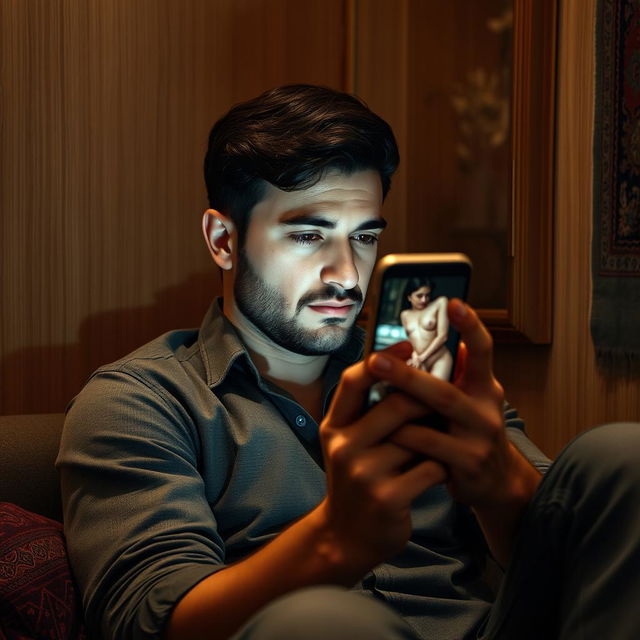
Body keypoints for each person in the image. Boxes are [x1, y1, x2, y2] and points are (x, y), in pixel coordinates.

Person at [57, 84, 640, 640]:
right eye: (309, 236)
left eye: (364, 237)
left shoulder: (425, 371)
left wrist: (498, 484)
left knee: (620, 457)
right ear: (223, 240)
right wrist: (335, 539)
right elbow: (149, 624)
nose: (345, 274)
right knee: (325, 623)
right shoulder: (140, 401)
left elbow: (582, 571)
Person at [400, 278, 453, 379]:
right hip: (418, 360)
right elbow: (410, 339)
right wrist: (415, 355)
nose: (424, 300)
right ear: (409, 297)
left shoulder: (440, 303)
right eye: (419, 296)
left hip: (439, 358)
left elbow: (443, 336)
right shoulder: (404, 315)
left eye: (427, 295)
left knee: (435, 392)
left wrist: (421, 358)